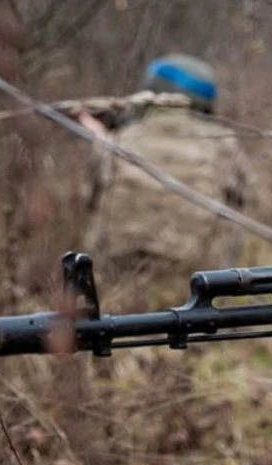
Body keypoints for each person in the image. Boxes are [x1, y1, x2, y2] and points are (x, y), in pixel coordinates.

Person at [81, 54, 253, 295]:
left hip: (119, 279)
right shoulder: (223, 143)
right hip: (199, 279)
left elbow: (88, 198)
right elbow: (243, 201)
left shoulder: (117, 140)